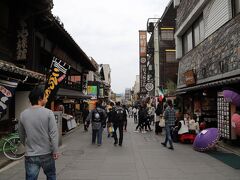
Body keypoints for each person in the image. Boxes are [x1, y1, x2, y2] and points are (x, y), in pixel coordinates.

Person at [18, 86, 59, 180]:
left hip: (31, 154)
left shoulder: (23, 114)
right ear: (40, 98)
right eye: (45, 96)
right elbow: (53, 133)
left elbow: (21, 134)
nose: (46, 98)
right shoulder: (48, 113)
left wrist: (28, 145)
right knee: (51, 176)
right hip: (47, 153)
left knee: (31, 178)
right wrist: (55, 150)